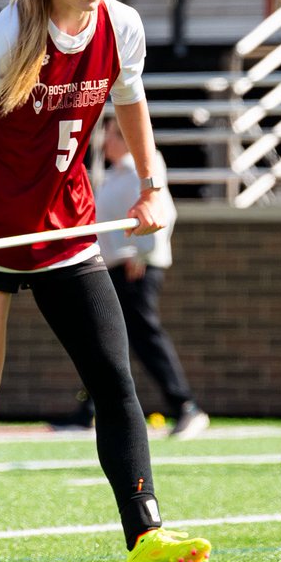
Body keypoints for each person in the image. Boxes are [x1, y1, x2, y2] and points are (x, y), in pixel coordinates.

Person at [0, 0, 210, 562]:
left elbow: (133, 104)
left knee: (115, 382)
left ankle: (145, 535)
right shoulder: (6, 38)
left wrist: (152, 186)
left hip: (64, 233)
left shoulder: (123, 26)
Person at [65, 116, 210, 439]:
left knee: (142, 335)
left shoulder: (138, 171)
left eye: (113, 136)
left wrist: (141, 253)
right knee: (103, 334)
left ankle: (186, 405)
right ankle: (89, 409)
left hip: (136, 267)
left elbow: (162, 212)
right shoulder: (115, 174)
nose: (106, 142)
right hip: (116, 265)